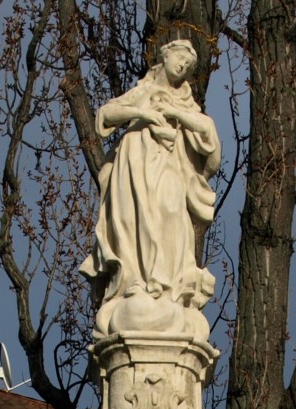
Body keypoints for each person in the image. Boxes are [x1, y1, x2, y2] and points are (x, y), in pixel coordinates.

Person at [80, 39, 220, 335]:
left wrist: (175, 114)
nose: (182, 66)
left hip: (169, 167)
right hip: (134, 165)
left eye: (188, 65)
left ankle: (165, 284)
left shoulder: (186, 103)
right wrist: (143, 113)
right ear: (165, 57)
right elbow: (105, 116)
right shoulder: (143, 92)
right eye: (179, 59)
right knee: (134, 219)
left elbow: (208, 136)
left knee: (170, 214)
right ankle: (136, 280)